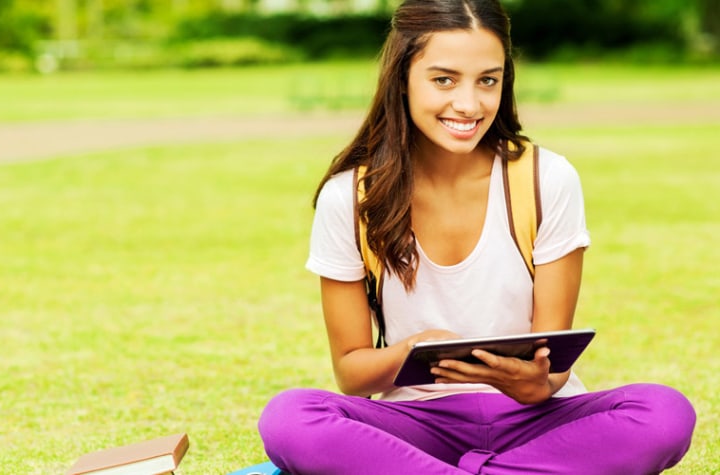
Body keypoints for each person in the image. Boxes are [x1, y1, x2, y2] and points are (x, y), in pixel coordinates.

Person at [258, 0, 696, 473]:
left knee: (664, 413)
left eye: (488, 79)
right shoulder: (350, 196)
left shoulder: (547, 178)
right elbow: (351, 372)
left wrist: (538, 384)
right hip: (415, 422)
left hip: (535, 420)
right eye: (444, 79)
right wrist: (411, 349)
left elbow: (553, 365)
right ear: (401, 77)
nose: (469, 104)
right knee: (290, 419)